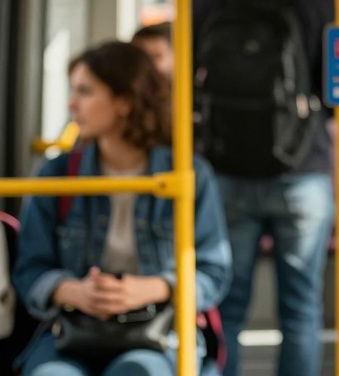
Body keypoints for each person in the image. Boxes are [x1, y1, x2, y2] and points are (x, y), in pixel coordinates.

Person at [12, 42, 231, 375]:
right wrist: (73, 290)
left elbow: (214, 271)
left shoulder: (186, 175)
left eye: (85, 92)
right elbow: (30, 268)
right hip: (71, 331)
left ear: (125, 102)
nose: (72, 104)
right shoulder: (56, 173)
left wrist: (151, 289)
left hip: (158, 330)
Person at [192, 0, 336, 376]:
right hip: (304, 167)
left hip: (226, 166)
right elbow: (338, 94)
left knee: (227, 303)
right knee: (300, 308)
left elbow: (189, 84)